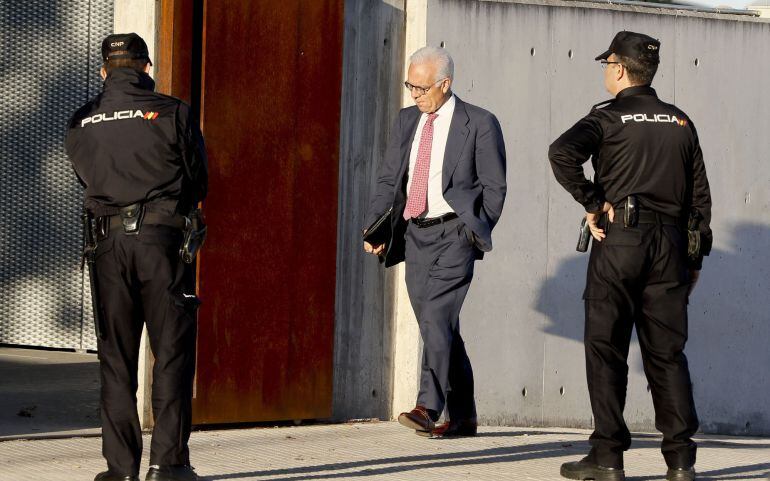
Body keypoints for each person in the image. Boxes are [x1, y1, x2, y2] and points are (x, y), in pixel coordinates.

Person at [548, 31, 712, 481]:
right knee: (667, 355)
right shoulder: (681, 122)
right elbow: (700, 199)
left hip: (620, 241)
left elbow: (561, 153)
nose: (605, 71)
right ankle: (681, 463)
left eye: (607, 64)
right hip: (671, 249)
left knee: (606, 350)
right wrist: (693, 259)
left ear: (619, 68)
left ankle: (607, 458)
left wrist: (592, 200)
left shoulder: (607, 118)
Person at [66, 33, 207, 481]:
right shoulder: (173, 112)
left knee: (116, 359)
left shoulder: (80, 119)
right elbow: (198, 180)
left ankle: (120, 470)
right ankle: (167, 466)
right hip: (162, 244)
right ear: (147, 68)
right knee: (171, 354)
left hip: (106, 246)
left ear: (104, 71)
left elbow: (83, 176)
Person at [364, 46, 506, 438]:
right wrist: (377, 228)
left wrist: (472, 229)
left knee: (435, 319)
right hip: (415, 234)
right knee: (439, 326)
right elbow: (389, 178)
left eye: (422, 88)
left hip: (454, 235)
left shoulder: (479, 122)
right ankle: (464, 417)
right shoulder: (408, 119)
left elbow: (495, 187)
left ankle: (428, 406)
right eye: (410, 85)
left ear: (445, 84)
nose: (415, 94)